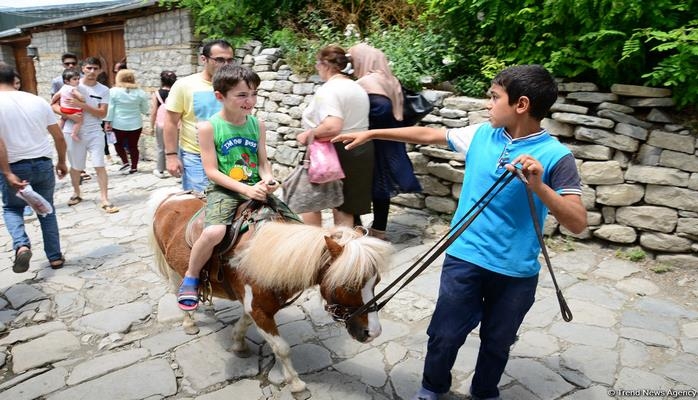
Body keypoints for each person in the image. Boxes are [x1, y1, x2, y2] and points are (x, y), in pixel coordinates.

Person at [333, 65, 588, 400]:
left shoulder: (556, 157)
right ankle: (431, 389)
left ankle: (484, 392)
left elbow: (578, 223)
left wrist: (539, 186)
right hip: (464, 258)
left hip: (516, 271)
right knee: (444, 335)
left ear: (521, 105)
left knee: (497, 342)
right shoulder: (482, 134)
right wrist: (372, 134)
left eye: (494, 97)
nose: (488, 104)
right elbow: (429, 135)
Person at [176, 64, 298, 311]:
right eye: (242, 95)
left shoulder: (257, 125)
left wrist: (268, 179)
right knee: (213, 233)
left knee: (296, 227)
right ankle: (191, 275)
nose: (250, 100)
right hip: (225, 190)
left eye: (254, 93)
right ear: (220, 96)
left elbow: (263, 162)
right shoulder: (208, 127)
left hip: (255, 187)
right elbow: (211, 171)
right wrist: (245, 190)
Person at [348, 43, 422, 239]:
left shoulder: (364, 82)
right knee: (382, 185)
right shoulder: (392, 80)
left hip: (371, 141)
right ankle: (379, 229)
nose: (352, 64)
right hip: (391, 138)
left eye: (353, 59)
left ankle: (356, 228)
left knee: (356, 184)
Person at [0, 62, 68, 272]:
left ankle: (21, 245)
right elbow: (58, 136)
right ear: (15, 79)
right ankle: (55, 257)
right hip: (42, 163)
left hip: (14, 165)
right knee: (47, 210)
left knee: (12, 208)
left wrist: (7, 172)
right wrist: (62, 161)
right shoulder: (37, 101)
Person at [295, 44, 373, 227]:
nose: (316, 68)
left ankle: (319, 248)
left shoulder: (329, 90)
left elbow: (332, 126)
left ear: (325, 64)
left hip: (336, 151)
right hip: (361, 149)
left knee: (311, 201)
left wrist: (308, 134)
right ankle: (350, 250)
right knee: (348, 206)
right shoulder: (356, 87)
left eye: (317, 63)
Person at [164, 39, 235, 192]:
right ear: (204, 59)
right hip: (196, 157)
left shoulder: (236, 85)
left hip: (231, 155)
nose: (226, 65)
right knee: (200, 205)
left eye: (230, 60)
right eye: (220, 60)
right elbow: (170, 122)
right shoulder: (185, 85)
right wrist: (171, 156)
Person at [53, 56, 119, 214]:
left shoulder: (103, 90)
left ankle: (104, 198)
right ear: (82, 69)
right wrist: (68, 114)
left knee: (99, 165)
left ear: (100, 70)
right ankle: (76, 193)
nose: (92, 71)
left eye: (95, 68)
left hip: (94, 131)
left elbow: (103, 113)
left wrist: (82, 105)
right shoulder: (71, 84)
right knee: (76, 166)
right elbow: (53, 104)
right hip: (72, 130)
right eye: (89, 68)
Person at [103, 69, 150, 174]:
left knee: (117, 144)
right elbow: (144, 109)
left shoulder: (113, 92)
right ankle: (134, 166)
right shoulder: (140, 93)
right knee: (133, 146)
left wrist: (107, 121)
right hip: (135, 124)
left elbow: (110, 108)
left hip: (118, 123)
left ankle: (125, 162)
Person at [150, 70, 177, 178]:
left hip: (161, 124)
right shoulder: (176, 93)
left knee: (161, 147)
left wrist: (151, 126)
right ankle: (179, 171)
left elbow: (153, 112)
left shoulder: (157, 94)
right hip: (176, 124)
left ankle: (160, 170)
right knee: (177, 147)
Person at [51, 68, 85, 142]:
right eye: (75, 79)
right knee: (79, 121)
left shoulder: (63, 88)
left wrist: (52, 102)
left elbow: (56, 96)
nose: (78, 81)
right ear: (67, 81)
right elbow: (80, 96)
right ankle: (74, 133)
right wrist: (82, 99)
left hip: (63, 109)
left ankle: (58, 131)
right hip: (72, 110)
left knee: (63, 119)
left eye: (78, 79)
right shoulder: (72, 88)